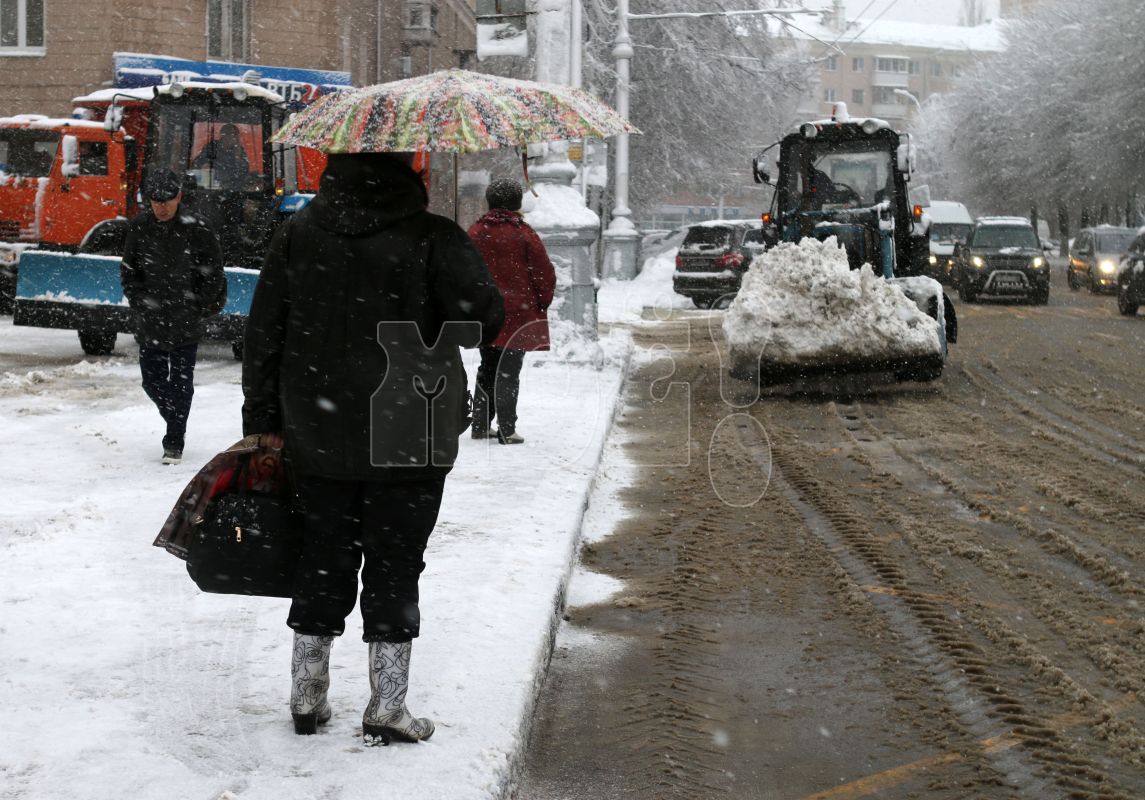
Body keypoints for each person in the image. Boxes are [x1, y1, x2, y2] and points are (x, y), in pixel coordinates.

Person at [241, 152, 504, 742]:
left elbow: (265, 333)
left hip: (315, 430)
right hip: (410, 427)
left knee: (322, 552)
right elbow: (484, 318)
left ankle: (306, 695)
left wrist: (260, 420)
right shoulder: (433, 236)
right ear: (410, 173)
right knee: (395, 562)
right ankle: (387, 705)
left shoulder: (297, 234)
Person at [120, 170, 226, 465]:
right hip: (151, 319)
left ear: (179, 197)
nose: (161, 206)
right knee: (151, 382)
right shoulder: (140, 227)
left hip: (185, 319)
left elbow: (214, 271)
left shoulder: (198, 228)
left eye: (167, 200)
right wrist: (140, 302)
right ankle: (176, 419)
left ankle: (174, 440)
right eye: (156, 201)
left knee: (181, 383)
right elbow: (130, 271)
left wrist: (197, 305)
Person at [465, 178, 556, 445]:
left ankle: (481, 424)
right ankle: (507, 428)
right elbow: (543, 273)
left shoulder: (475, 232)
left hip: (486, 311)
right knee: (509, 370)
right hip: (518, 313)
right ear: (517, 203)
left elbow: (465, 271)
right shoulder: (524, 233)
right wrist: (542, 301)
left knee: (487, 366)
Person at [192, 123, 251, 190]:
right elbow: (197, 162)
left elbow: (244, 172)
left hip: (232, 188)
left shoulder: (239, 151)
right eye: (228, 134)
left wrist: (238, 157)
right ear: (222, 135)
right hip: (211, 186)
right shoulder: (212, 147)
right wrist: (204, 164)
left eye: (234, 135)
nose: (231, 137)